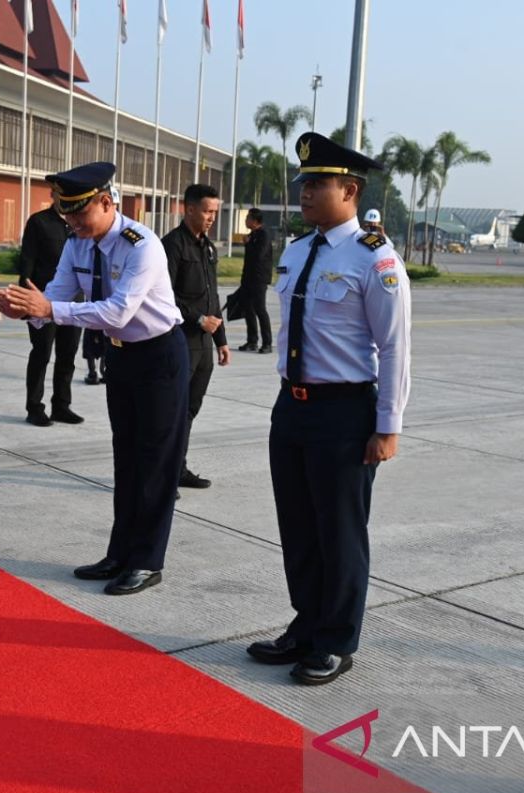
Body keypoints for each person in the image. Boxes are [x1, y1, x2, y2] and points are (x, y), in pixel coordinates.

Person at [246, 132, 411, 686]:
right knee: (297, 525)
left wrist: (387, 426)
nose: (306, 193)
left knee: (340, 530)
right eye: (304, 184)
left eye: (318, 184)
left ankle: (337, 638)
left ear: (350, 189)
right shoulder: (297, 250)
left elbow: (394, 347)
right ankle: (307, 623)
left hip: (344, 411)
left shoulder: (376, 258)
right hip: (291, 406)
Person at [0, 162, 188, 596]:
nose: (73, 222)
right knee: (127, 460)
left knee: (155, 463)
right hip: (121, 359)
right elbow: (56, 296)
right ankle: (120, 553)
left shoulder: (142, 245)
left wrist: (47, 310)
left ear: (106, 202)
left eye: (80, 213)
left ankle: (147, 560)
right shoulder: (77, 245)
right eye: (67, 214)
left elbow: (117, 312)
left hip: (159, 358)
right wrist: (26, 311)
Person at [163, 184, 230, 490]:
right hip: (180, 341)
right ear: (188, 209)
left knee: (190, 410)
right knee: (171, 412)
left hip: (204, 345)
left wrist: (221, 340)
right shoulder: (172, 245)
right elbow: (165, 296)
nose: (211, 217)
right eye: (207, 211)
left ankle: (178, 469)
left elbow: (212, 297)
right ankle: (162, 477)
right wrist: (198, 319)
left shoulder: (208, 247)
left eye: (215, 212)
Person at [19, 191, 83, 427]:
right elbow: (27, 262)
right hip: (43, 301)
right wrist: (25, 303)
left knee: (68, 355)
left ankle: (61, 406)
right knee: (41, 354)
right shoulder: (39, 222)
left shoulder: (79, 222)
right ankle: (34, 407)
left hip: (74, 302)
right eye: (60, 193)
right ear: (52, 195)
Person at [237, 207, 273, 355]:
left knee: (260, 309)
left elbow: (258, 256)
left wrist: (248, 244)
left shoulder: (263, 235)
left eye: (248, 218)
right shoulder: (253, 235)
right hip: (248, 278)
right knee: (248, 310)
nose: (246, 221)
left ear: (255, 221)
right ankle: (252, 341)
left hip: (259, 279)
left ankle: (267, 343)